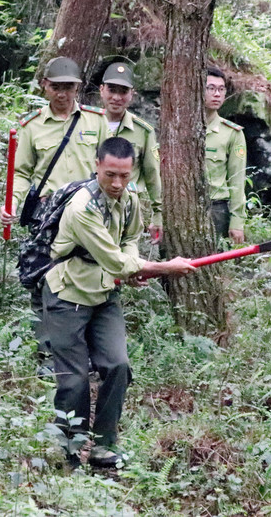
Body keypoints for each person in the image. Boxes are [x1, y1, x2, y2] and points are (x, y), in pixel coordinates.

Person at [40, 137, 195, 467]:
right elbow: (117, 262)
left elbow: (129, 242)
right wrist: (163, 268)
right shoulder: (83, 208)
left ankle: (103, 444)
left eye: (124, 176)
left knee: (118, 366)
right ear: (96, 166)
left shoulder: (130, 199)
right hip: (68, 295)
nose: (117, 183)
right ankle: (70, 445)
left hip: (105, 294)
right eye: (110, 174)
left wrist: (134, 267)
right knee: (75, 377)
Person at [0, 56, 109, 371]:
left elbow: (110, 167)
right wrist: (11, 203)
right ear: (45, 86)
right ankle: (47, 353)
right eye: (57, 87)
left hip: (87, 212)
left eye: (69, 87)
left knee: (87, 279)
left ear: (78, 88)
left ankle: (86, 353)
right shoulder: (31, 126)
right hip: (46, 214)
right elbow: (19, 172)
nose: (63, 94)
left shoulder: (95, 121)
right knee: (43, 280)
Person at [99, 62, 163, 244]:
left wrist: (158, 214)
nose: (117, 97)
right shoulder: (88, 124)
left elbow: (152, 175)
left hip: (128, 210)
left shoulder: (143, 131)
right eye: (112, 90)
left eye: (123, 91)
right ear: (101, 90)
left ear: (132, 94)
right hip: (92, 207)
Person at [204, 67, 248, 245]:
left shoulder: (232, 133)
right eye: (211, 88)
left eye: (221, 89)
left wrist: (237, 222)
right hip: (182, 207)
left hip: (216, 210)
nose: (217, 94)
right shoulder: (179, 126)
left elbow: (237, 180)